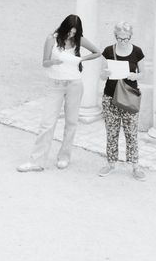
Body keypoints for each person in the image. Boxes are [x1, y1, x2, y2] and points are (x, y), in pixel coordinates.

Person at [17, 14, 102, 172]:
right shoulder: (52, 39)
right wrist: (54, 62)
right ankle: (37, 161)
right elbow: (44, 62)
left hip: (75, 84)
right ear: (64, 28)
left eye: (75, 32)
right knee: (47, 124)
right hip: (55, 84)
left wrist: (81, 59)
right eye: (69, 31)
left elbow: (98, 52)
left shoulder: (78, 40)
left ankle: (64, 156)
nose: (71, 35)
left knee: (71, 122)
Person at [99, 20, 146, 180]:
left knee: (131, 133)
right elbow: (101, 75)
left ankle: (135, 166)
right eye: (120, 38)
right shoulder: (108, 51)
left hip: (130, 97)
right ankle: (111, 163)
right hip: (110, 96)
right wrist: (105, 73)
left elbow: (143, 73)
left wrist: (135, 75)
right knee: (111, 132)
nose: (123, 41)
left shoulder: (137, 52)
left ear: (130, 37)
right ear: (115, 36)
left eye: (126, 38)